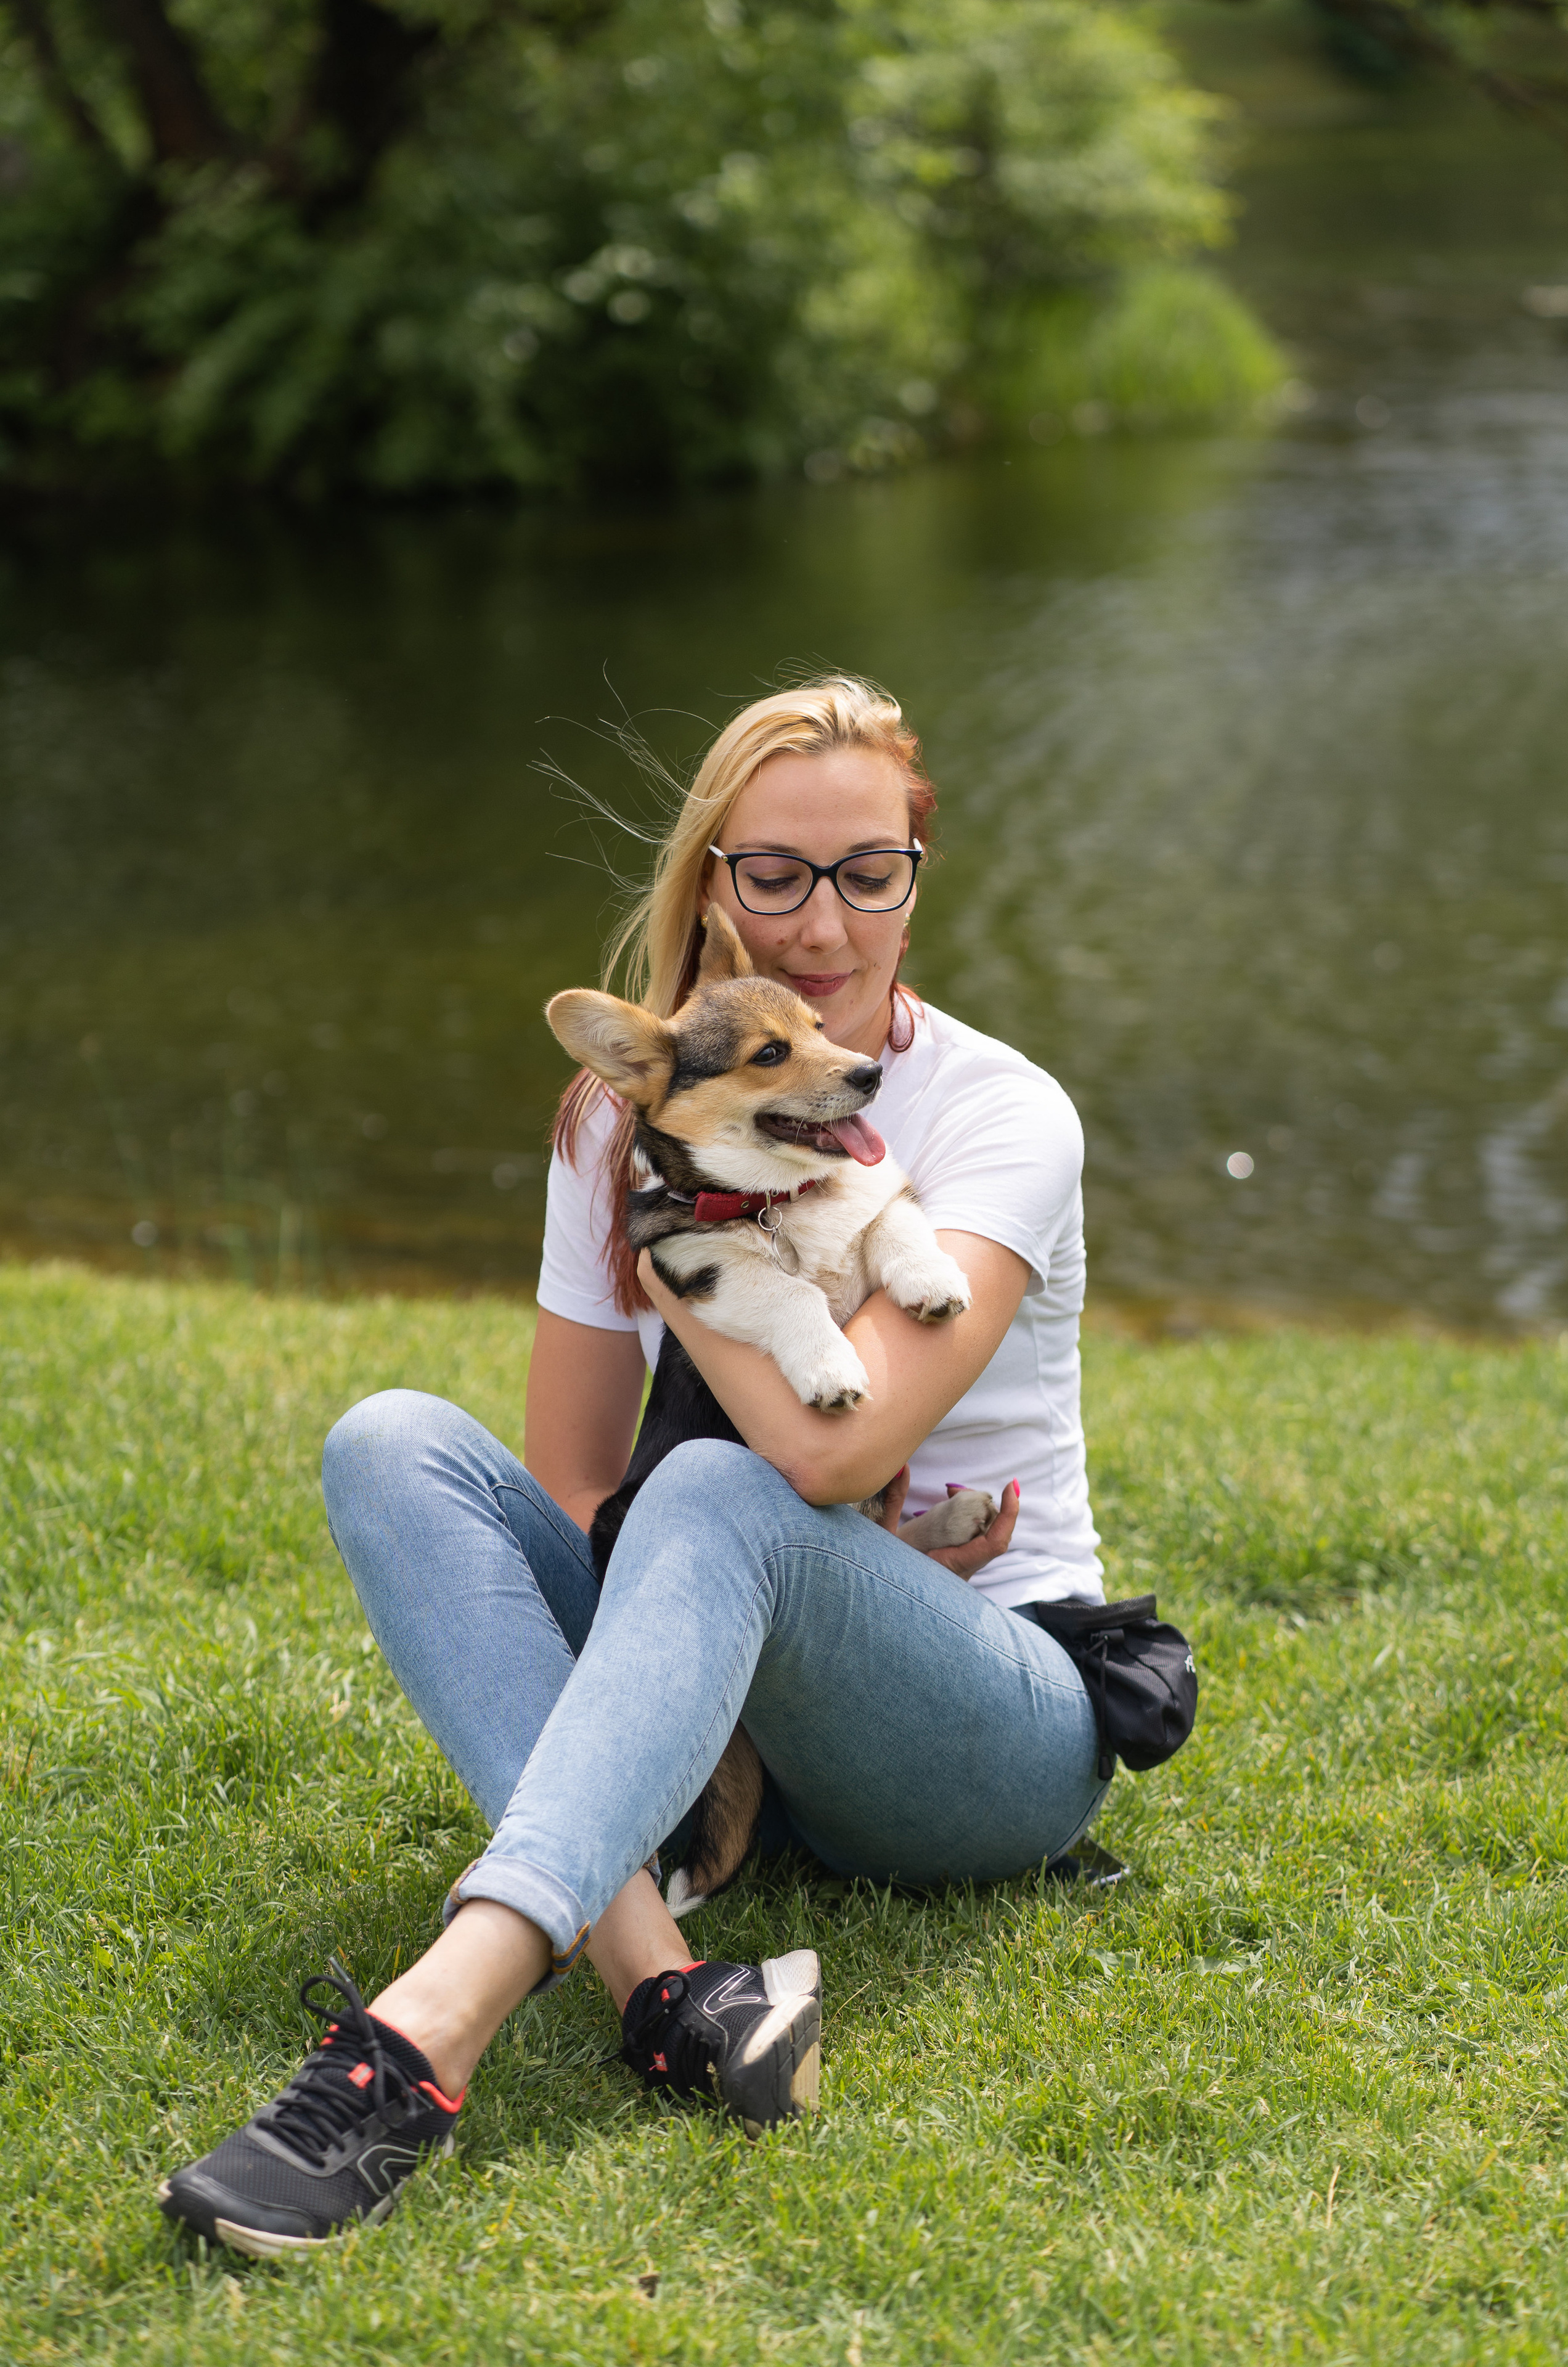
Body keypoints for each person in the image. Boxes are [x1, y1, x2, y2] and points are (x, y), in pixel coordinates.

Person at [158, 675, 1109, 2259]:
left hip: (983, 1713)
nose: (821, 922)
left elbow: (833, 1446)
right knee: (392, 1440)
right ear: (714, 885)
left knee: (725, 1483)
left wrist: (686, 1264)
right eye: (774, 873)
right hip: (742, 1710)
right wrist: (713, 1639)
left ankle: (421, 2039)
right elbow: (576, 1477)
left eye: (867, 870)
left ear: (916, 873)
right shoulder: (621, 1119)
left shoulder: (1001, 1114)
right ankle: (668, 1989)